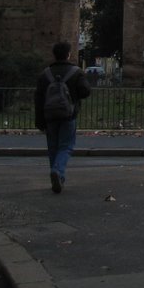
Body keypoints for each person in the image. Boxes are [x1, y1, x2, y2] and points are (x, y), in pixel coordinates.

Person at [34, 41, 91, 193]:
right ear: (68, 54)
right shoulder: (76, 72)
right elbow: (85, 91)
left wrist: (39, 121)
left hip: (50, 116)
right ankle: (58, 172)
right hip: (68, 115)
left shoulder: (45, 74)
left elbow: (38, 98)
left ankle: (56, 174)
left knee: (53, 147)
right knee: (66, 146)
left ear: (54, 55)